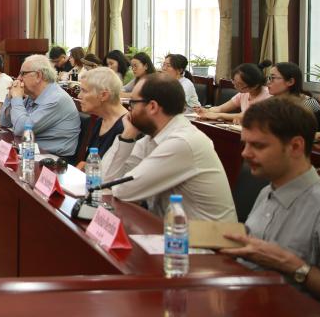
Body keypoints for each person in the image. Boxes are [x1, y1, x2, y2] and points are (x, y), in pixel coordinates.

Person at [222, 98, 320, 310]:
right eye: (245, 143)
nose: (245, 153)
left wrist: (294, 267)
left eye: (258, 145)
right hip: (253, 306)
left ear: (295, 146)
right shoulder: (267, 191)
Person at [100, 75, 236, 222]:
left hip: (204, 236)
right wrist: (127, 136)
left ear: (152, 107)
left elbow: (123, 191)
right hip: (169, 229)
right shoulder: (152, 138)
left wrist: (112, 185)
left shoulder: (182, 142)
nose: (129, 109)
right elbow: (105, 180)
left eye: (133, 103)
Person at [0, 54, 80, 161]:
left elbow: (21, 129)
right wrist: (9, 98)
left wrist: (17, 98)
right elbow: (4, 123)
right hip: (32, 152)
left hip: (54, 161)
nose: (19, 78)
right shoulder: (33, 96)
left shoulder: (56, 99)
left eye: (23, 74)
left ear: (38, 75)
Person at [77, 67, 128, 158]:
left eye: (84, 91)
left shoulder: (126, 128)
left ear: (103, 95)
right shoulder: (101, 119)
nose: (79, 96)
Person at [196, 62, 271, 123]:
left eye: (239, 84)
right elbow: (221, 108)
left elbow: (247, 116)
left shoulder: (268, 96)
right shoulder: (244, 93)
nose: (235, 86)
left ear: (254, 85)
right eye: (234, 81)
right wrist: (206, 110)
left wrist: (219, 115)